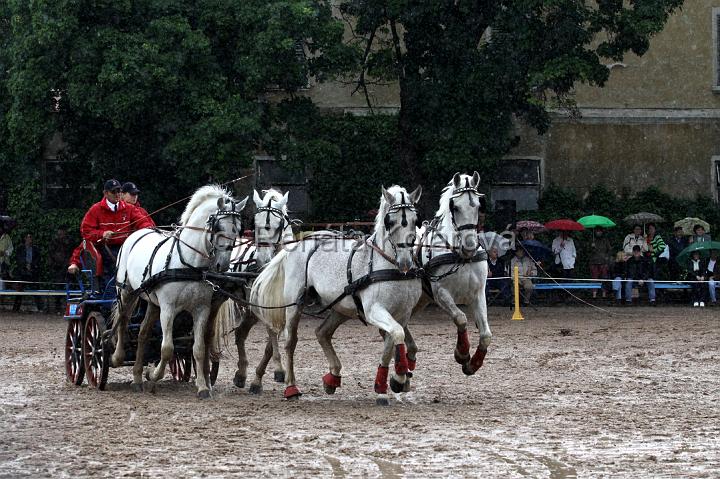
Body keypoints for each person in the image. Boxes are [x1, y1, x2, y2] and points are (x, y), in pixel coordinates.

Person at [80, 179, 154, 286]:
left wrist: (147, 231)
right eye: (114, 192)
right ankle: (112, 290)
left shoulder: (129, 208)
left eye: (119, 191)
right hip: (105, 248)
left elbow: (143, 222)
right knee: (112, 263)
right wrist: (102, 234)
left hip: (125, 247)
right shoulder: (96, 209)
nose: (117, 194)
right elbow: (85, 231)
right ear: (105, 193)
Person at [13, 233, 44, 312]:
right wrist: (25, 265)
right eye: (28, 238)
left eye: (30, 238)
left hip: (32, 272)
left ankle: (40, 308)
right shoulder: (20, 248)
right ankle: (16, 308)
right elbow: (18, 259)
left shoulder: (36, 249)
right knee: (19, 291)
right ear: (25, 239)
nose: (29, 240)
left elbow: (38, 259)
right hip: (22, 272)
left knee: (36, 290)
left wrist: (32, 265)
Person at [49, 228, 73, 312]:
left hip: (67, 268)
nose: (61, 235)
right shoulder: (54, 243)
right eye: (59, 234)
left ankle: (69, 307)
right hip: (58, 268)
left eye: (62, 234)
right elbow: (52, 255)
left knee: (70, 287)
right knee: (58, 288)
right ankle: (57, 307)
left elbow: (70, 253)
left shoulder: (68, 242)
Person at [589, 229, 612, 298]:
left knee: (604, 278)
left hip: (603, 262)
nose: (598, 232)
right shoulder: (592, 241)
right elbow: (588, 251)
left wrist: (607, 257)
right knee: (594, 279)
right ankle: (594, 294)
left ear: (602, 232)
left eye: (600, 231)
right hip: (594, 262)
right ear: (595, 232)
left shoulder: (605, 240)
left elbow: (610, 250)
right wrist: (591, 247)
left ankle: (604, 293)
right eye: (597, 231)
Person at [0, 225, 12, 290]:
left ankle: (2, 296)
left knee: (3, 281)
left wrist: (5, 253)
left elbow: (11, 248)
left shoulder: (7, 237)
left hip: (4, 262)